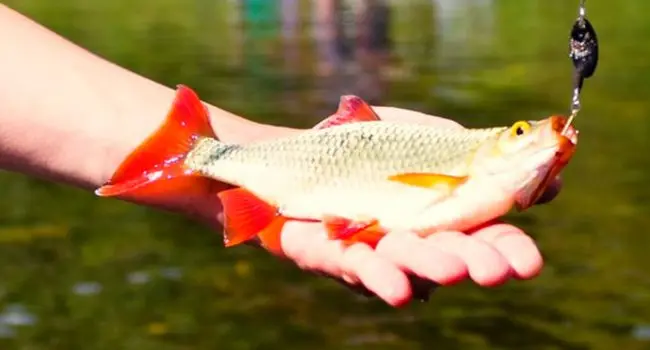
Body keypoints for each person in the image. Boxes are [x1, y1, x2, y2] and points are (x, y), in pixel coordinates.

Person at [0, 5, 560, 307]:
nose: (533, 136)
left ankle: (201, 156)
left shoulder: (480, 166)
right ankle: (199, 155)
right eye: (518, 132)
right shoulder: (465, 159)